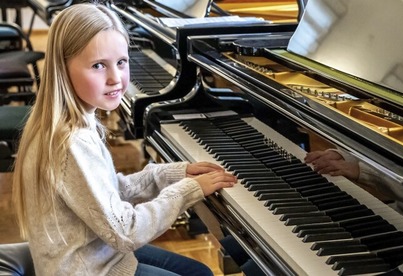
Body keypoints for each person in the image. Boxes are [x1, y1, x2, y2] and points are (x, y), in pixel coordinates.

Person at [11, 3, 236, 275]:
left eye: (121, 62)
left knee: (196, 272)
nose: (115, 78)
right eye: (98, 66)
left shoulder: (67, 120)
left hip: (97, 251)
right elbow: (125, 230)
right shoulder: (71, 142)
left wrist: (171, 174)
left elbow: (105, 194)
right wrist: (187, 190)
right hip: (86, 268)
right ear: (62, 68)